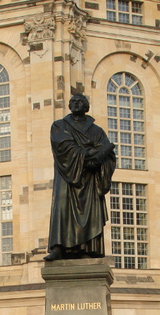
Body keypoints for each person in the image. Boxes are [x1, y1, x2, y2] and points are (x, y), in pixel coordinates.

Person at [44, 94, 116, 262]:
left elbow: (107, 153)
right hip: (67, 176)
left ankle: (87, 248)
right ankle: (58, 248)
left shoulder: (96, 131)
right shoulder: (59, 126)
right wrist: (89, 154)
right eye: (73, 102)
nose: (76, 104)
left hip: (89, 179)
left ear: (86, 107)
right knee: (61, 208)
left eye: (80, 102)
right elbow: (63, 148)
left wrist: (98, 159)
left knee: (90, 210)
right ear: (69, 106)